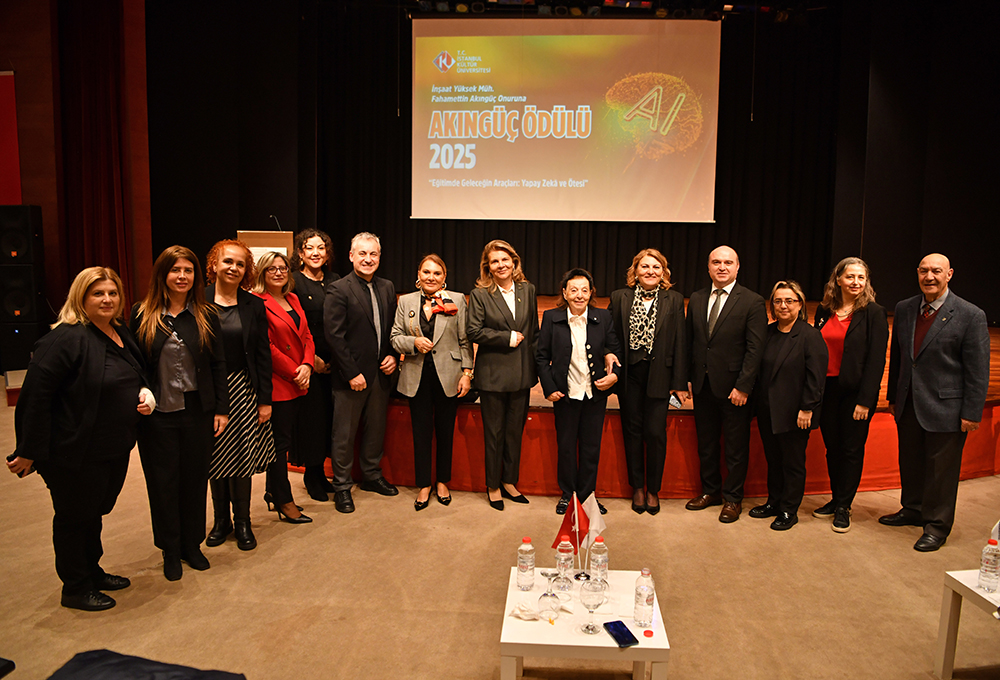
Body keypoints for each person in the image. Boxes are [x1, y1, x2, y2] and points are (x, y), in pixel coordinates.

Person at [8, 267, 154, 610]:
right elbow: (36, 397)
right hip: (74, 449)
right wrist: (28, 450)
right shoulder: (65, 339)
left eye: (113, 293)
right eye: (97, 293)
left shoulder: (118, 331)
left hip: (111, 445)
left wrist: (144, 390)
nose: (107, 300)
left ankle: (92, 571)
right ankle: (75, 587)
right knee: (74, 517)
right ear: (80, 297)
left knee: (93, 512)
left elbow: (136, 370)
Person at [880, 253, 990, 552]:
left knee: (942, 472)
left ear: (949, 274)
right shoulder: (904, 308)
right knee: (910, 462)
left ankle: (937, 526)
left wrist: (972, 412)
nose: (929, 277)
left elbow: (978, 370)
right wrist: (893, 397)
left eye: (936, 271)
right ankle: (912, 509)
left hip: (948, 408)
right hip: (909, 404)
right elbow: (900, 357)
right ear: (917, 273)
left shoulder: (970, 314)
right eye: (924, 271)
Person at [132, 246, 229, 581]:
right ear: (163, 274)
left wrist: (221, 408)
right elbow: (134, 365)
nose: (182, 276)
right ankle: (170, 550)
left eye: (188, 270)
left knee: (194, 480)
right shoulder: (142, 314)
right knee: (163, 484)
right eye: (176, 270)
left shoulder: (206, 314)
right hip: (157, 415)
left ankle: (192, 545)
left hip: (197, 413)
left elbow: (218, 364)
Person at [685, 245, 767, 523]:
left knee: (735, 447)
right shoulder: (697, 298)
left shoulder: (752, 301)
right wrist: (687, 378)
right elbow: (691, 342)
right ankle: (711, 492)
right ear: (708, 267)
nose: (722, 267)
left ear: (737, 267)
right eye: (716, 262)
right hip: (703, 385)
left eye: (728, 262)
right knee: (706, 444)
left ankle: (733, 498)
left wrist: (744, 386)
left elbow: (755, 349)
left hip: (735, 390)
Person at [204, 240, 276, 551]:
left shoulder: (254, 305)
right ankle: (221, 521)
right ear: (214, 265)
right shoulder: (198, 300)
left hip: (244, 389)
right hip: (209, 390)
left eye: (240, 264)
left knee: (242, 456)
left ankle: (243, 521)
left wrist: (265, 399)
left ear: (247, 270)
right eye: (227, 261)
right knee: (216, 456)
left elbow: (262, 355)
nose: (233, 268)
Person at [390, 254, 474, 510]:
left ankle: (443, 482)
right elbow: (395, 337)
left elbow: (465, 341)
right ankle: (424, 484)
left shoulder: (457, 300)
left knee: (445, 432)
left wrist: (467, 373)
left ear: (444, 277)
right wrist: (413, 342)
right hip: (416, 376)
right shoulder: (406, 301)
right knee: (421, 433)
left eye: (437, 273)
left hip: (449, 375)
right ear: (419, 274)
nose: (431, 277)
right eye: (426, 272)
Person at [323, 232, 399, 514]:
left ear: (380, 257)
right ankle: (342, 485)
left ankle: (371, 475)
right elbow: (334, 336)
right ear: (351, 256)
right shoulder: (338, 289)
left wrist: (393, 355)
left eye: (373, 254)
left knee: (376, 429)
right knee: (344, 434)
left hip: (380, 373)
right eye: (362, 253)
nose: (368, 259)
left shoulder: (387, 287)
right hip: (351, 377)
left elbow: (392, 328)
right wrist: (351, 372)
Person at [608, 248, 687, 515]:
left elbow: (680, 341)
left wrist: (679, 382)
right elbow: (611, 335)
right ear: (635, 271)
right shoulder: (620, 297)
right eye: (645, 266)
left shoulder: (674, 299)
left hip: (660, 376)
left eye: (656, 267)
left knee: (655, 433)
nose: (650, 271)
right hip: (629, 375)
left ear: (663, 272)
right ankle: (637, 488)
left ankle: (653, 488)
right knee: (632, 432)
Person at [813, 257, 888, 533]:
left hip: (855, 394)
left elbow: (876, 361)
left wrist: (866, 401)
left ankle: (845, 506)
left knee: (851, 450)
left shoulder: (874, 313)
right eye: (850, 277)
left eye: (861, 277)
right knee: (832, 448)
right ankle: (836, 498)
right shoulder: (824, 309)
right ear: (838, 279)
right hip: (827, 391)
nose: (856, 282)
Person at [537, 268, 621, 515]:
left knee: (590, 448)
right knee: (565, 447)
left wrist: (614, 375)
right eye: (573, 290)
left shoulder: (602, 317)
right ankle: (567, 494)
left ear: (591, 293)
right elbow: (541, 356)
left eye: (585, 290)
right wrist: (549, 388)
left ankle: (587, 496)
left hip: (594, 395)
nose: (579, 295)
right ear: (564, 292)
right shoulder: (551, 317)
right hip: (565, 395)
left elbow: (614, 349)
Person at [748, 281, 828, 531]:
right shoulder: (767, 333)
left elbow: (816, 377)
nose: (783, 305)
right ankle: (774, 502)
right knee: (774, 460)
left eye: (789, 301)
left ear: (800, 304)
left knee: (792, 464)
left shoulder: (810, 335)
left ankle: (788, 510)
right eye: (778, 301)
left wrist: (807, 408)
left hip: (795, 413)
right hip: (768, 411)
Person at [467, 239, 539, 511]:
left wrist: (537, 370)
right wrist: (505, 337)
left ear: (514, 261)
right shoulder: (480, 294)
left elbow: (533, 332)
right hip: (493, 376)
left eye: (505, 259)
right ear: (488, 266)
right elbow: (473, 331)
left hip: (522, 375)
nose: (501, 265)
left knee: (514, 433)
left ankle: (509, 481)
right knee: (494, 435)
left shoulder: (527, 290)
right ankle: (493, 486)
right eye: (494, 261)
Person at [253, 251, 313, 525]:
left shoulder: (293, 299)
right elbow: (265, 347)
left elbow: (307, 335)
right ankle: (283, 499)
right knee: (279, 446)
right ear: (262, 273)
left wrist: (307, 365)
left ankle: (271, 491)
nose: (278, 273)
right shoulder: (257, 302)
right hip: (279, 382)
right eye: (272, 269)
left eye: (283, 268)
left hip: (300, 378)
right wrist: (294, 371)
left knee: (284, 441)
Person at [290, 228, 339, 501]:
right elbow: (292, 327)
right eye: (310, 248)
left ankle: (321, 473)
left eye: (321, 248)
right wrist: (312, 360)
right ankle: (312, 474)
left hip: (335, 362)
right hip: (309, 363)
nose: (316, 253)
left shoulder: (336, 280)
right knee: (312, 421)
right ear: (301, 253)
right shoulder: (293, 282)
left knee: (330, 420)